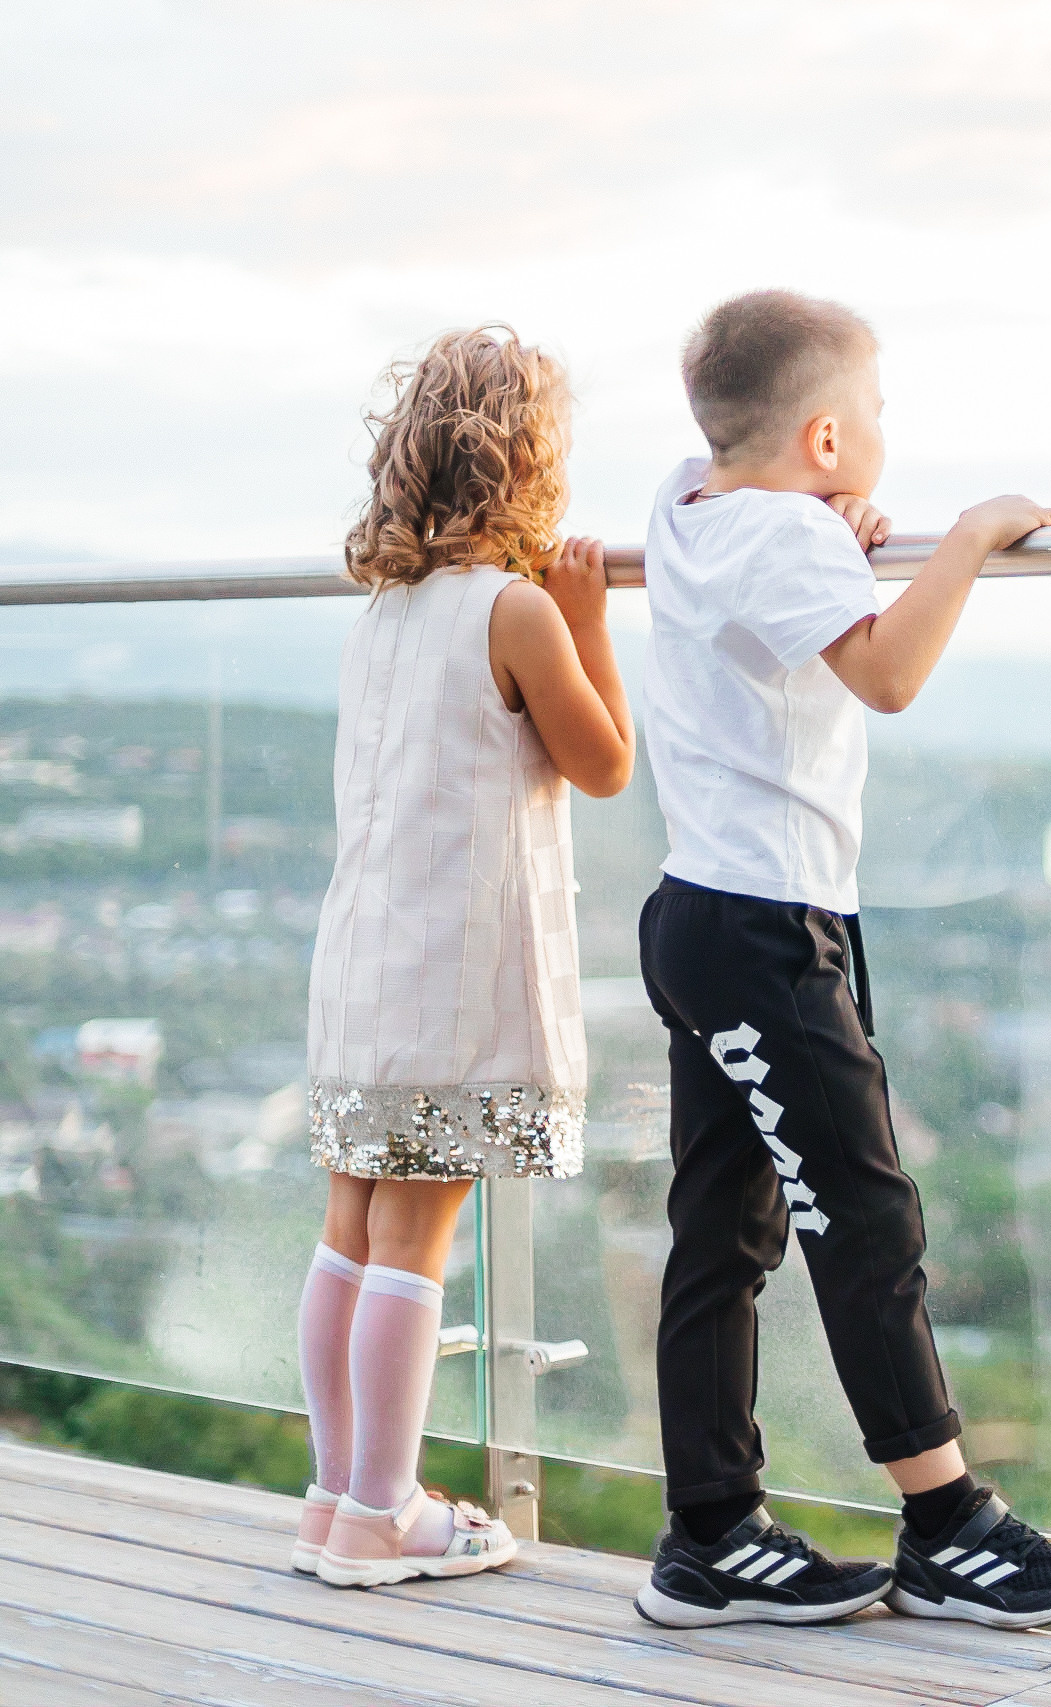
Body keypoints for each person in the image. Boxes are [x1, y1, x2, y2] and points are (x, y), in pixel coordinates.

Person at [633, 289, 1051, 1631]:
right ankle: (948, 1520)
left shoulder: (690, 503)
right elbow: (888, 674)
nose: (892, 431)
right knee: (865, 1215)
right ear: (833, 438)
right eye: (882, 413)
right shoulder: (781, 531)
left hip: (709, 909)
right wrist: (964, 538)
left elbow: (761, 543)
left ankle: (712, 1532)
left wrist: (824, 525)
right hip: (760, 927)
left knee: (726, 1231)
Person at [295, 326, 634, 1588]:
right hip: (448, 982)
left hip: (359, 968)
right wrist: (589, 622)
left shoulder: (380, 616)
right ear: (530, 465)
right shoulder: (518, 610)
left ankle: (335, 1494)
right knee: (417, 1242)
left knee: (350, 1229)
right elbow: (602, 763)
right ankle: (385, 1514)